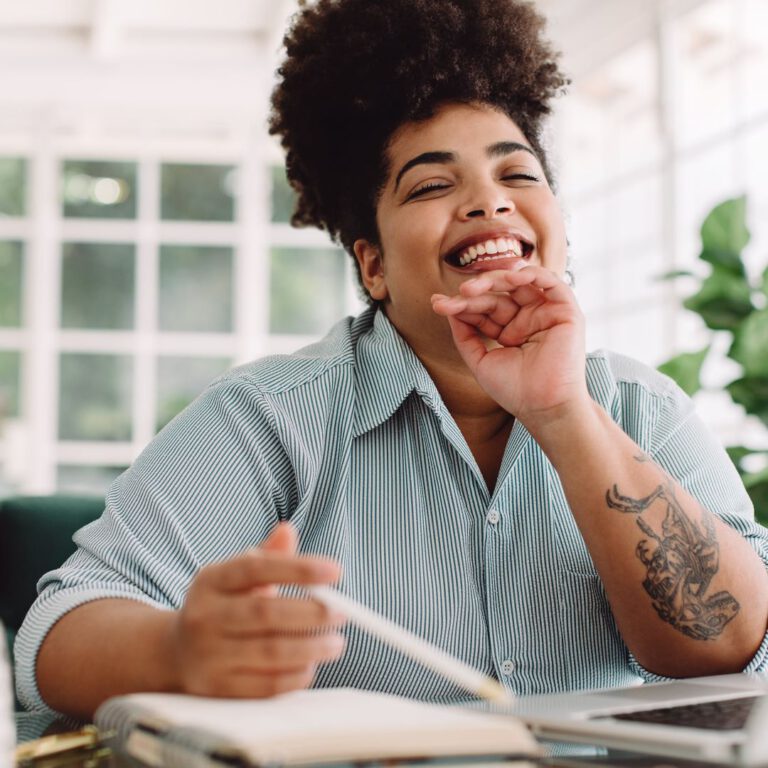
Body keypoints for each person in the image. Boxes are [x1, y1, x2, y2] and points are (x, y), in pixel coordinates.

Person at [16, 0, 768, 720]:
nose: (488, 201)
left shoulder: (643, 407)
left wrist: (563, 411)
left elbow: (730, 647)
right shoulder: (271, 420)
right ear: (372, 266)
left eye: (518, 174)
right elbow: (55, 632)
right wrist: (178, 650)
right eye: (434, 184)